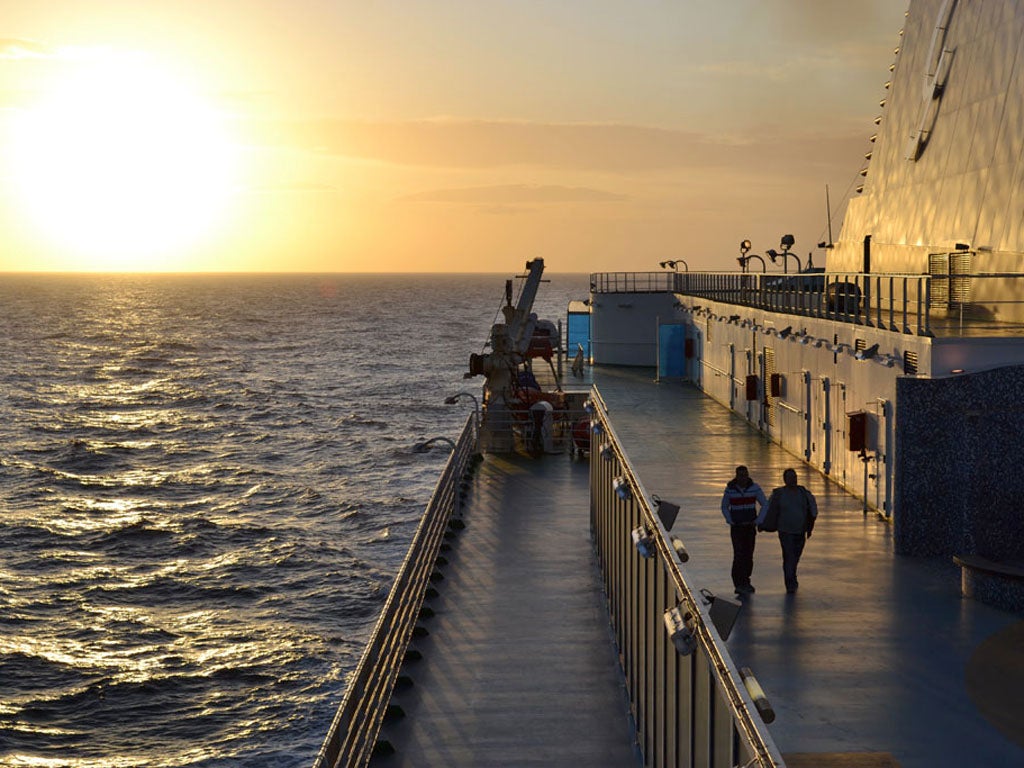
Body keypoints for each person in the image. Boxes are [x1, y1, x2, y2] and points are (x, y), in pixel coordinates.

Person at [762, 468, 818, 594]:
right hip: (785, 531)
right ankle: (790, 583)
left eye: (795, 477)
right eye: (790, 477)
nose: (793, 480)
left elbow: (813, 506)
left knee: (795, 557)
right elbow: (768, 508)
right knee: (789, 556)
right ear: (785, 480)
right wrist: (761, 522)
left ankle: (792, 575)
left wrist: (812, 520)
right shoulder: (779, 494)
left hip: (800, 531)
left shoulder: (804, 493)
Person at [720, 465, 768, 596]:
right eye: (740, 475)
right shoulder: (730, 490)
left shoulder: (755, 488)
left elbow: (765, 504)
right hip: (737, 528)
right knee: (738, 554)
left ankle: (746, 580)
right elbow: (724, 506)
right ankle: (739, 583)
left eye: (745, 475)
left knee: (748, 554)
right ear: (736, 476)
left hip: (749, 526)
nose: (743, 478)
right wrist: (730, 520)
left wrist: (758, 520)